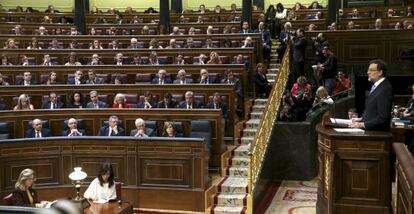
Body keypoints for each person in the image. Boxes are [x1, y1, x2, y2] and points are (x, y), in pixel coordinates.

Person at [350, 59, 393, 131]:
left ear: (380, 72)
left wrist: (362, 124)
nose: (368, 72)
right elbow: (373, 111)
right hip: (371, 131)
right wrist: (360, 119)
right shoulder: (377, 87)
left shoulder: (385, 89)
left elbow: (382, 118)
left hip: (377, 134)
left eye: (371, 70)